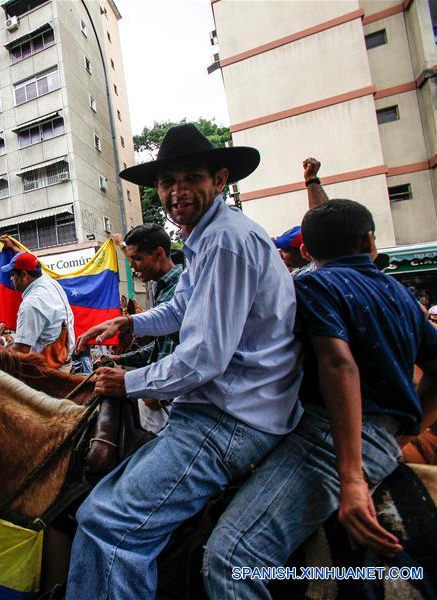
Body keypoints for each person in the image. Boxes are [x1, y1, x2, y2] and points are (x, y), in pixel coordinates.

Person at [66, 123, 302, 599]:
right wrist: (130, 325)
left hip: (229, 417)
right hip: (221, 407)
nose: (177, 192)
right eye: (167, 182)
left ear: (218, 179)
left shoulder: (225, 241)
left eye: (190, 178)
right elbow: (182, 309)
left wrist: (125, 383)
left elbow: (203, 358)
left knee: (104, 522)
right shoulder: (206, 237)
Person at [204, 200, 437, 598]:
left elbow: (337, 364)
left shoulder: (312, 286)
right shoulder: (398, 292)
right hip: (379, 438)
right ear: (370, 242)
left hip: (329, 440)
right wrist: (405, 431)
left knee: (232, 560)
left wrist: (352, 477)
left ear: (307, 254)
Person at [103, 224, 184, 434]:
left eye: (137, 259)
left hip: (176, 402)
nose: (133, 267)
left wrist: (160, 394)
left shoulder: (180, 289)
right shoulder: (161, 287)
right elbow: (161, 346)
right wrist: (121, 360)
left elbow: (187, 354)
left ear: (159, 254)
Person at [2, 251, 76, 361]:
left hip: (46, 371)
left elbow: (22, 349)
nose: (10, 279)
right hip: (63, 360)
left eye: (12, 274)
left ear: (24, 275)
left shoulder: (31, 304)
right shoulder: (50, 282)